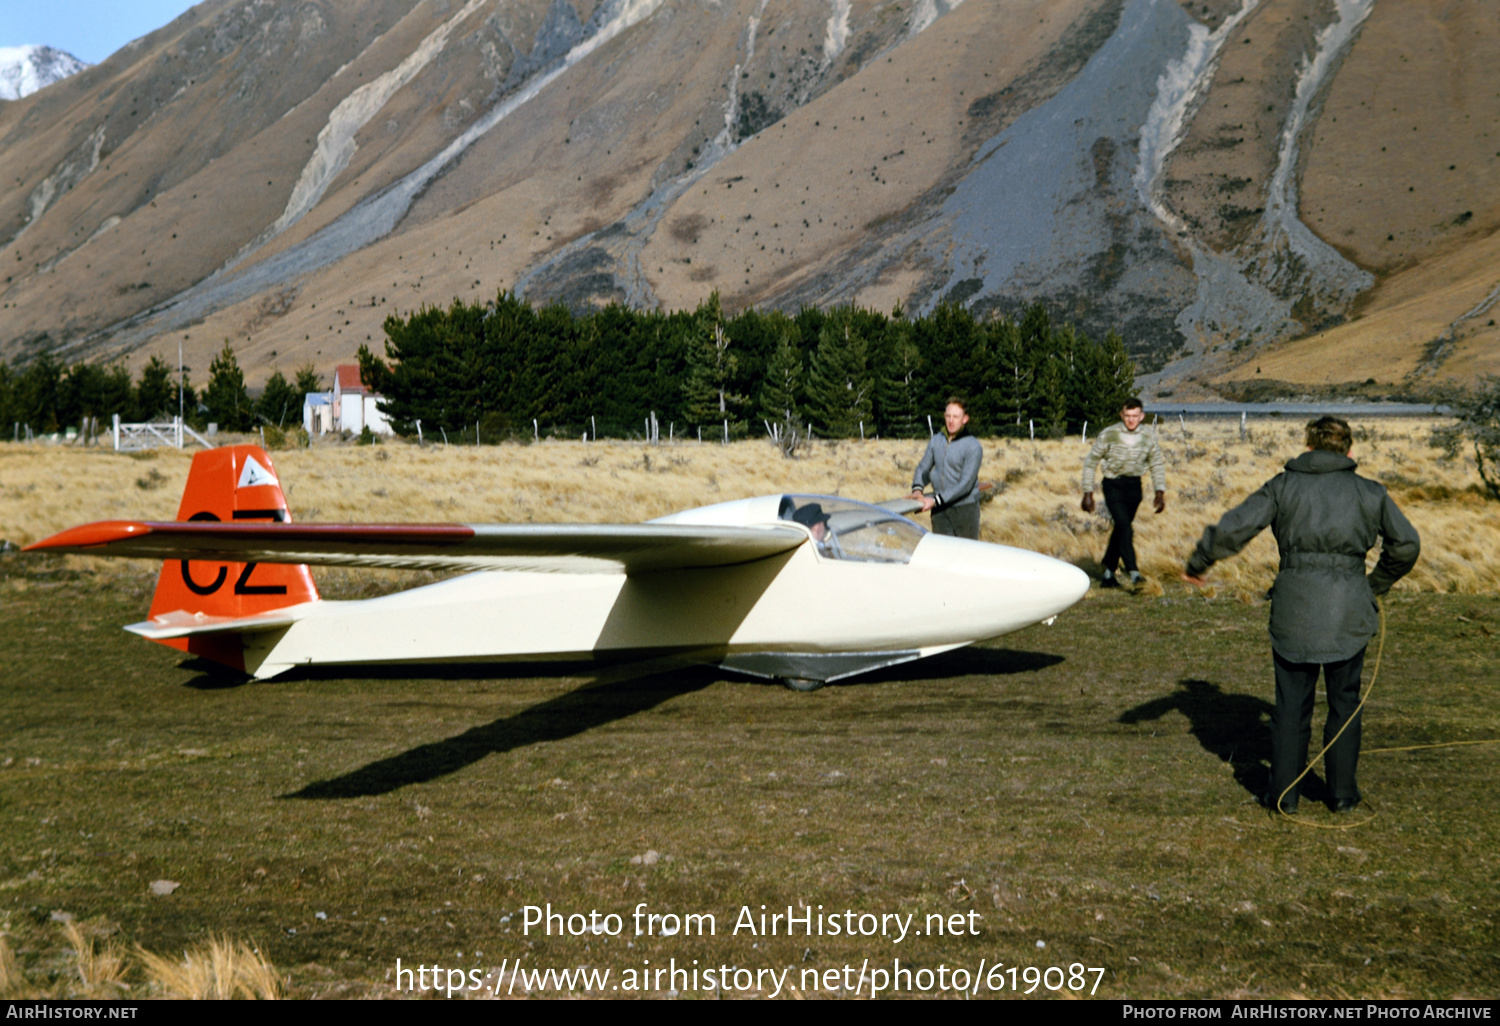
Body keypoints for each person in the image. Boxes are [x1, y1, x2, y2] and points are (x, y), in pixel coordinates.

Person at [1181, 415, 1420, 814]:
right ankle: (1342, 795)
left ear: (1308, 447)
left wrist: (1200, 561)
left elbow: (1234, 527)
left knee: (1291, 707)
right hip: (1350, 612)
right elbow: (1407, 545)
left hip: (1294, 611)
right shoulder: (1370, 492)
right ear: (1349, 450)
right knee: (1345, 702)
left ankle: (1284, 796)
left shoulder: (1283, 485)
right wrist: (1373, 585)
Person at [1081, 398, 1166, 588]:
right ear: (1122, 415)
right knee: (1124, 527)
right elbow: (1091, 461)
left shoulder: (1148, 436)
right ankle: (1134, 572)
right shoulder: (1109, 434)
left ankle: (1108, 575)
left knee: (1121, 529)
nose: (1131, 420)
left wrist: (1160, 491)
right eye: (1127, 416)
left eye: (1135, 416)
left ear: (1142, 416)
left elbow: (1156, 464)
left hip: (1134, 487)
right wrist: (1088, 492)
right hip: (1113, 485)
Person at [910, 397, 983, 539]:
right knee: (942, 553)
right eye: (948, 416)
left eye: (956, 417)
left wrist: (935, 500)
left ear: (965, 419)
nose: (951, 421)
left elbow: (965, 484)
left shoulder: (973, 446)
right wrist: (917, 490)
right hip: (940, 511)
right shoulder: (936, 440)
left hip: (964, 509)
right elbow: (923, 468)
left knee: (965, 553)